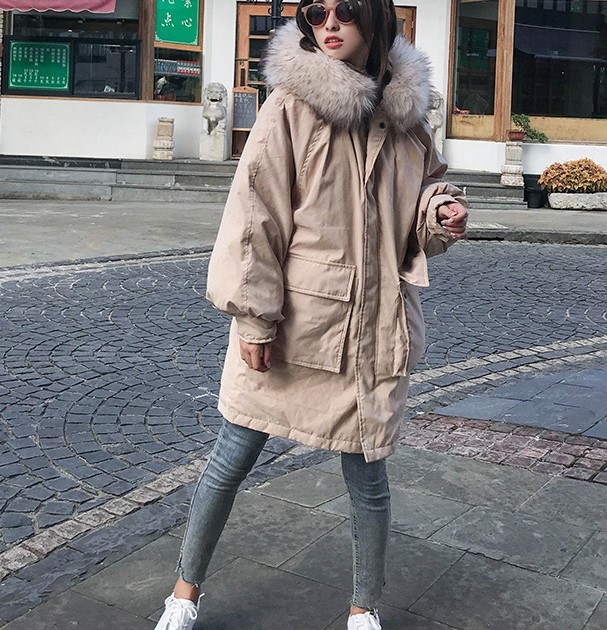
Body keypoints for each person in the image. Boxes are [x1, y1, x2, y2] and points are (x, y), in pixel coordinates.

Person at [154, 0, 467, 628]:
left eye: (344, 12)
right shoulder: (290, 106)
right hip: (295, 323)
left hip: (374, 327)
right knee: (231, 457)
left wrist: (440, 212)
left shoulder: (407, 115)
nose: (328, 24)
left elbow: (427, 188)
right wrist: (254, 319)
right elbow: (254, 217)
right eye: (315, 12)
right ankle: (183, 595)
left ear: (376, 19)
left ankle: (363, 610)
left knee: (369, 479)